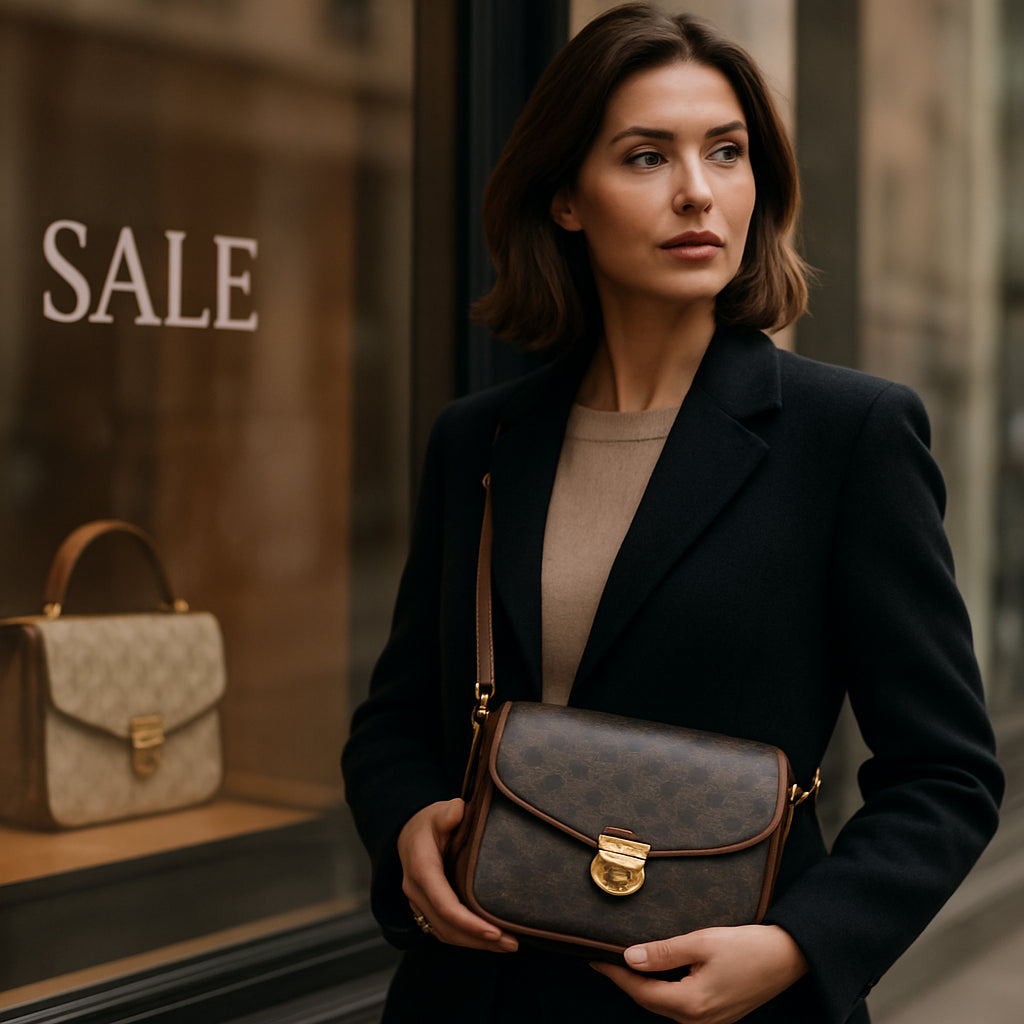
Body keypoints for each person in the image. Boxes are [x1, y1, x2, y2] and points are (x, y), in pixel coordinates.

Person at [341, 5, 1004, 1022]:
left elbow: (945, 773)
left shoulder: (848, 435)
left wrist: (794, 945)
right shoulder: (480, 441)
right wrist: (407, 828)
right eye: (647, 156)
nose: (698, 191)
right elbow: (394, 722)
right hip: (472, 991)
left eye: (726, 152)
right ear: (565, 197)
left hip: (723, 1008)